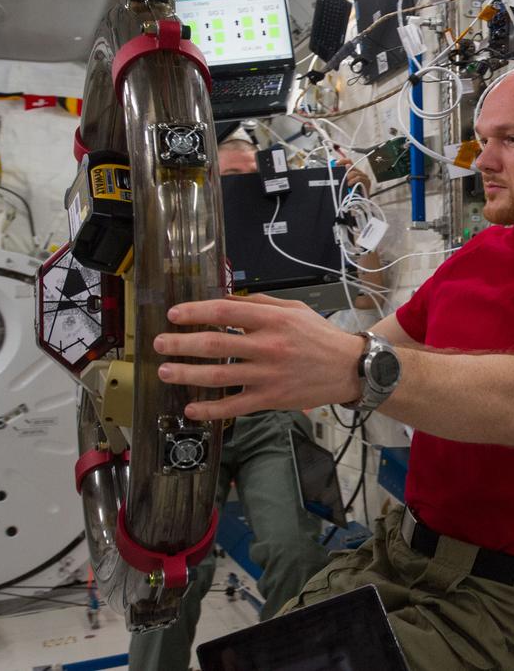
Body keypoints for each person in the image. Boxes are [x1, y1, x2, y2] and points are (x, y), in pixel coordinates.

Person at [151, 65, 514, 670]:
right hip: (396, 555)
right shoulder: (481, 252)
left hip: (490, 604)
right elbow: (378, 344)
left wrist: (353, 365)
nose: (483, 160)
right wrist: (265, 361)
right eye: (482, 139)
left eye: (513, 139)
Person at [128, 131, 379, 671]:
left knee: (295, 552)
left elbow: (363, 298)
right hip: (186, 416)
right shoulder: (167, 243)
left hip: (269, 415)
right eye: (230, 181)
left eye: (252, 180)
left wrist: (354, 211)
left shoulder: (294, 240)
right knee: (175, 571)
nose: (245, 191)